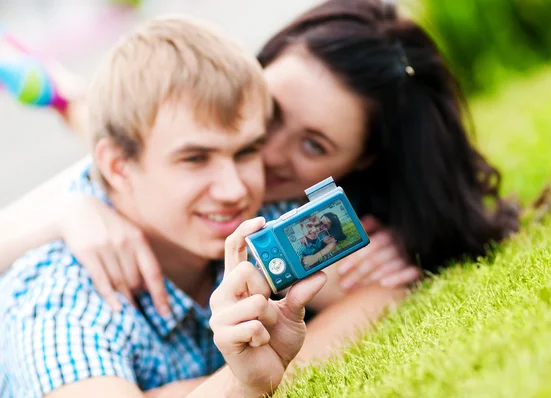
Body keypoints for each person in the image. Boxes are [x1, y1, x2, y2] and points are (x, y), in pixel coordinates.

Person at [0, 0, 520, 361]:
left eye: (312, 145)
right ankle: (59, 91)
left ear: (359, 164)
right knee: (98, 115)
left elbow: (374, 291)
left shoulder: (319, 214)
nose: (263, 154)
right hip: (91, 183)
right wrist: (71, 211)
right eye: (269, 114)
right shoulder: (190, 142)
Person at [0, 16, 327, 398]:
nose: (234, 190)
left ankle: (66, 96)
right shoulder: (60, 299)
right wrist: (243, 383)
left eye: (247, 150)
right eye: (195, 158)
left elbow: (378, 284)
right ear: (118, 166)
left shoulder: (255, 221)